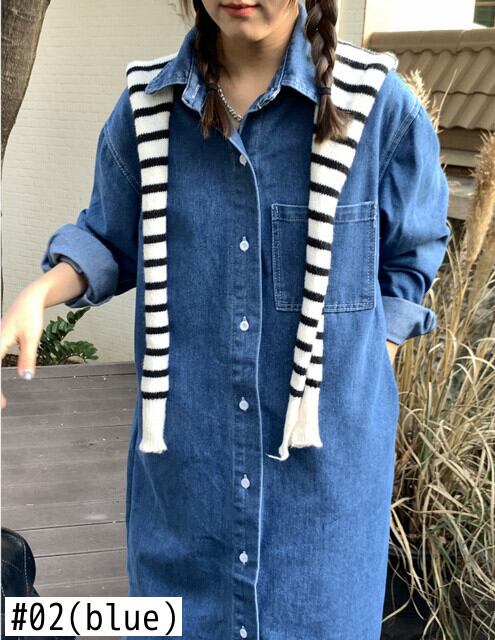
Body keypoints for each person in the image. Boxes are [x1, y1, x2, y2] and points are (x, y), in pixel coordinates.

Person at [0, 0, 451, 637]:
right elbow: (108, 236)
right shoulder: (147, 110)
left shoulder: (378, 107)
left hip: (322, 497)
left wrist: (373, 356)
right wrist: (38, 293)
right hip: (189, 481)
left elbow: (411, 254)